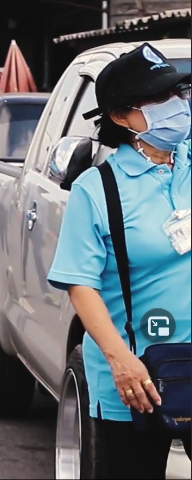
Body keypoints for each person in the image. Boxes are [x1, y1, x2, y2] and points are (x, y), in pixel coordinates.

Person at [47, 43, 190, 479]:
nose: (178, 107)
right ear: (120, 116)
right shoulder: (98, 189)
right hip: (137, 375)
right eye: (159, 99)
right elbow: (80, 284)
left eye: (179, 94)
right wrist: (120, 360)